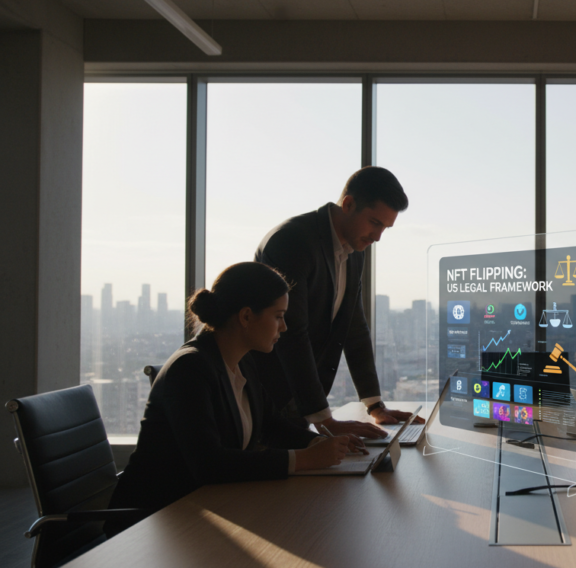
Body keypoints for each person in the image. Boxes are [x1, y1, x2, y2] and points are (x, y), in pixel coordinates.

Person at [106, 262, 360, 536]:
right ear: (246, 316)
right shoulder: (189, 368)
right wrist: (304, 459)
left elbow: (271, 424)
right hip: (155, 523)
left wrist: (320, 443)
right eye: (278, 316)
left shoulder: (242, 363)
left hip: (206, 510)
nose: (284, 327)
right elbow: (209, 465)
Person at [252, 166, 424, 437]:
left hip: (299, 402)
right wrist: (325, 419)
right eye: (375, 223)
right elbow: (291, 333)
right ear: (348, 204)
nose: (378, 237)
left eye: (386, 228)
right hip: (264, 395)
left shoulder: (355, 249)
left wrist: (375, 404)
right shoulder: (291, 241)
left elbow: (354, 327)